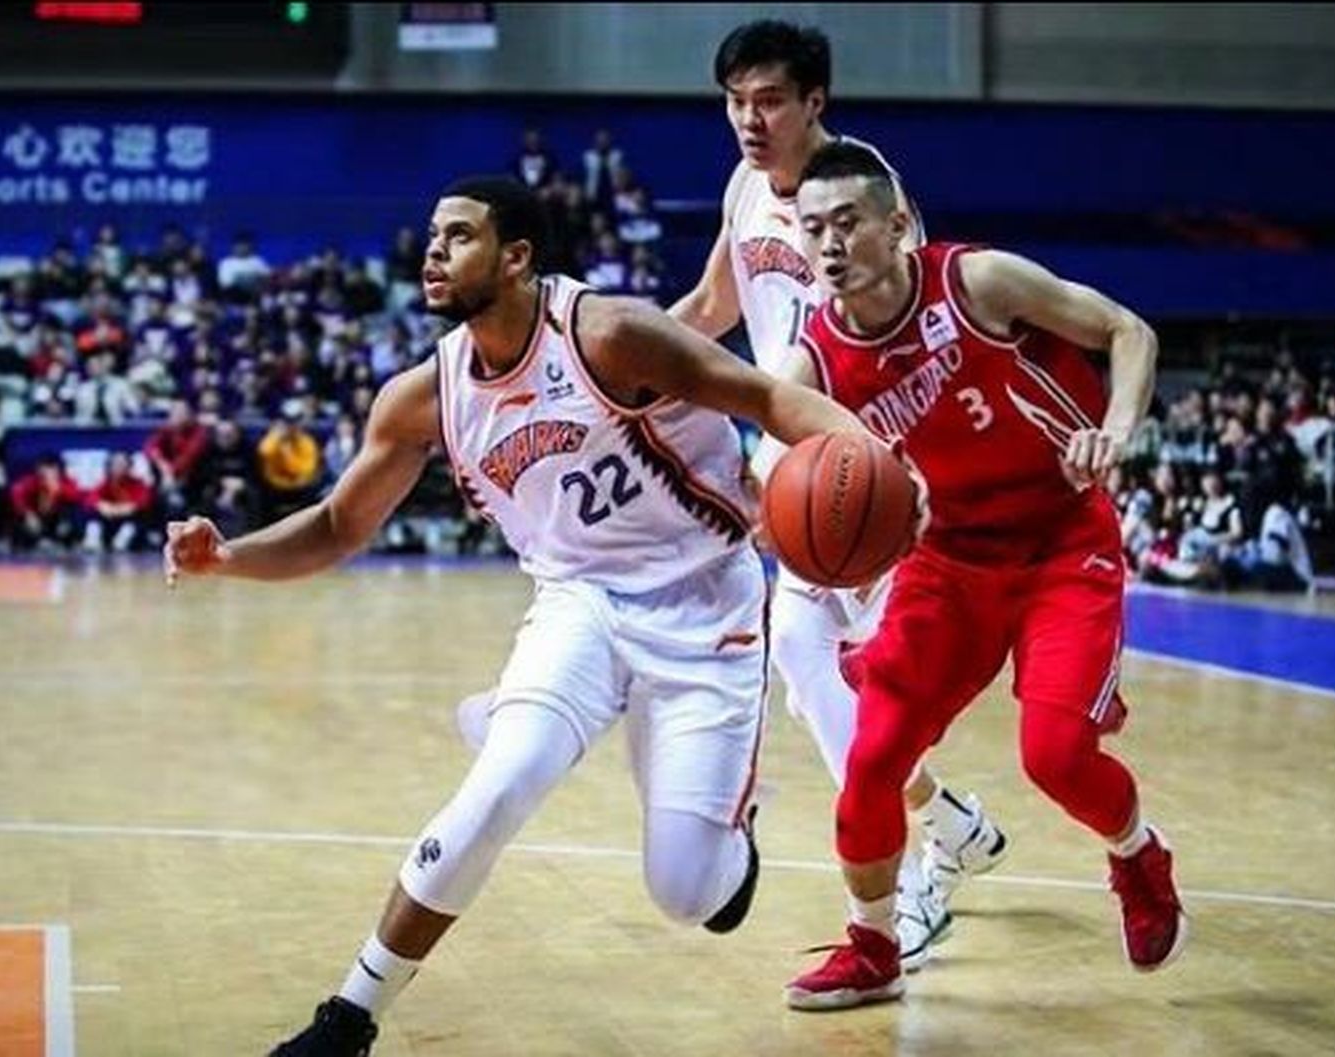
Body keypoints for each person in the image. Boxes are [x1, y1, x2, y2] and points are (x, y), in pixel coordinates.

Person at [163, 176, 875, 1056]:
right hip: (575, 603)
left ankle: (733, 824)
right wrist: (228, 554)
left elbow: (768, 397)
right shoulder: (422, 396)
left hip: (703, 600)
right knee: (502, 782)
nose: (432, 251)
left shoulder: (610, 335)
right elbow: (342, 523)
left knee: (689, 893)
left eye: (457, 236)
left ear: (516, 256)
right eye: (430, 235)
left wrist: (874, 461)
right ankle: (349, 1015)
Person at [780, 142, 1185, 1010]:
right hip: (948, 561)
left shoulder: (978, 282)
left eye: (847, 222)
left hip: (1059, 538)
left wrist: (1113, 430)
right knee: (874, 755)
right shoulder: (813, 361)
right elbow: (779, 468)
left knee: (1055, 755)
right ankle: (873, 945)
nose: (830, 244)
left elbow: (1129, 331)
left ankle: (1137, 854)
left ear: (896, 224)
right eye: (812, 229)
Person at [668, 18, 1007, 968]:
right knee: (813, 671)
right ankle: (943, 824)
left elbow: (923, 330)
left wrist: (907, 473)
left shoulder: (866, 193)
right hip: (798, 471)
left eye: (768, 99)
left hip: (872, 468)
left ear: (815, 102)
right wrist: (621, 364)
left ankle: (915, 877)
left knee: (880, 686)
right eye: (735, 101)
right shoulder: (744, 189)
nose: (748, 118)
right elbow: (710, 311)